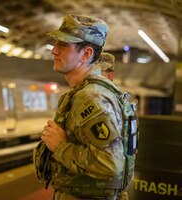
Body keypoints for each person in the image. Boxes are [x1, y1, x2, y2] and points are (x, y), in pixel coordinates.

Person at [33, 15, 138, 200]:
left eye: (64, 45)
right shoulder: (88, 92)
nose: (54, 50)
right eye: (55, 43)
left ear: (86, 54)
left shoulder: (90, 97)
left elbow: (110, 165)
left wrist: (59, 146)